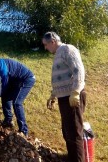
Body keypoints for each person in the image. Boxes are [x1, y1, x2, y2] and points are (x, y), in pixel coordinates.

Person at [42, 32, 86, 162]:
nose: (45, 48)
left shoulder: (67, 49)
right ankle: (72, 158)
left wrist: (76, 91)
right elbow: (61, 77)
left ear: (53, 41)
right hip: (64, 97)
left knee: (74, 132)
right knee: (67, 132)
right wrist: (53, 95)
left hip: (72, 97)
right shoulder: (58, 54)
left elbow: (79, 70)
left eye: (45, 44)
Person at [0, 58, 35, 137]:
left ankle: (24, 131)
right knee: (5, 96)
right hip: (15, 80)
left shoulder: (3, 69)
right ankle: (8, 121)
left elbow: (4, 85)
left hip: (26, 79)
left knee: (17, 103)